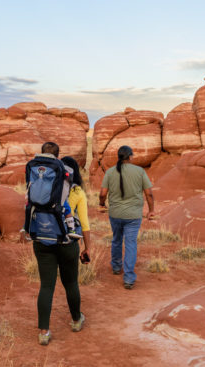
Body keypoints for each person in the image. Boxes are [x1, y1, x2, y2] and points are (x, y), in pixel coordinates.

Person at [21, 142, 86, 346]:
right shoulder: (67, 178)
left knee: (46, 286)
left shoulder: (33, 170)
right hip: (65, 239)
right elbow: (83, 220)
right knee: (71, 283)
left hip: (40, 235)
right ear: (58, 156)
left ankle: (44, 332)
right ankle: (76, 320)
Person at [98, 145, 155, 290]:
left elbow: (103, 193)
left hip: (115, 214)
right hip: (133, 216)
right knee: (130, 243)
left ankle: (116, 267)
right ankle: (129, 278)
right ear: (130, 157)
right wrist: (151, 210)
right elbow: (149, 193)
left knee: (116, 239)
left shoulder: (110, 172)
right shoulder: (139, 171)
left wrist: (101, 204)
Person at [61, 156, 92, 266]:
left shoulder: (50, 186)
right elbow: (84, 224)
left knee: (47, 282)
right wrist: (87, 249)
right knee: (71, 282)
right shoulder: (77, 192)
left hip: (46, 236)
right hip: (67, 238)